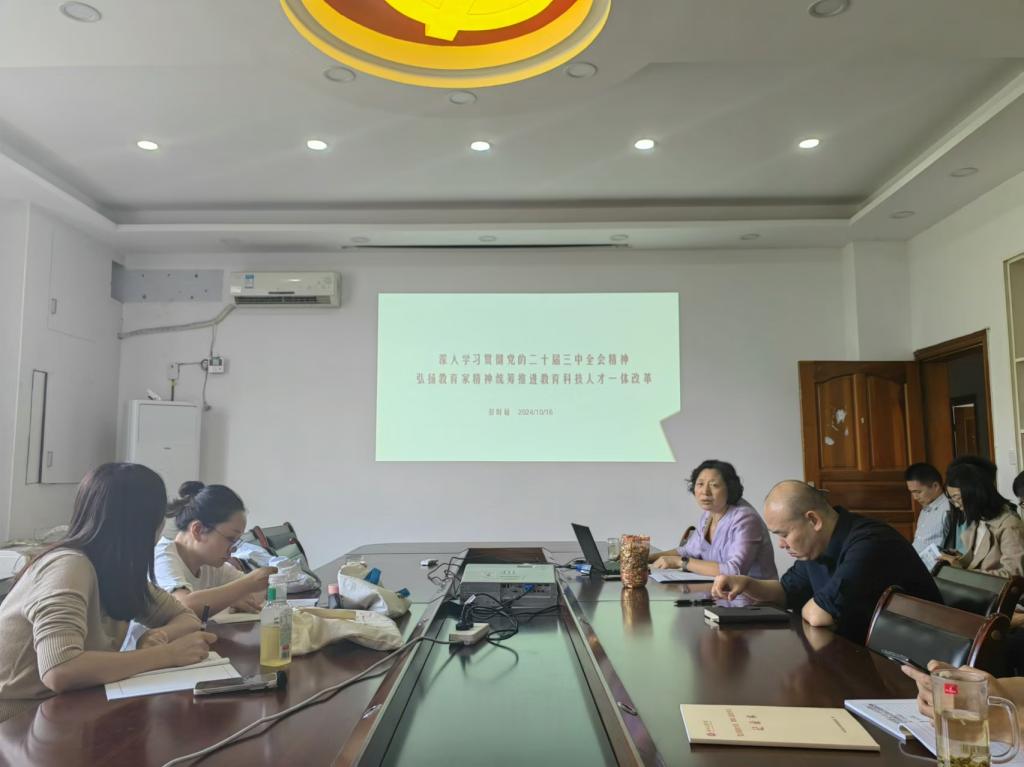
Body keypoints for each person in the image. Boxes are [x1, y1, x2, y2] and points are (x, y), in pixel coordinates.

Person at [0, 463, 216, 723]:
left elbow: (186, 618)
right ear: (148, 525)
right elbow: (60, 670)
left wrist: (159, 635)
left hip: (62, 712)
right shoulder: (69, 566)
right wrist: (166, 655)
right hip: (15, 722)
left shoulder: (116, 570)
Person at [711, 480, 942, 643]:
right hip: (862, 655)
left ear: (813, 520)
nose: (782, 544)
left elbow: (819, 616)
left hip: (915, 667)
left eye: (784, 534)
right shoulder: (817, 546)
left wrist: (811, 607)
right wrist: (747, 583)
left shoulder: (870, 543)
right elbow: (786, 591)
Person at [154, 481, 276, 616]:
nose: (233, 549)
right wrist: (246, 585)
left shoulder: (210, 564)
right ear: (198, 530)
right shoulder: (163, 556)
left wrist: (233, 596)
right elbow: (183, 605)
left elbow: (256, 593)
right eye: (230, 539)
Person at [649, 460, 777, 584]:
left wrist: (680, 562)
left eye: (714, 485)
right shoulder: (708, 514)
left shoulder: (745, 518)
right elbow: (687, 551)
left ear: (730, 488)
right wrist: (646, 558)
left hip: (752, 597)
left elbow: (735, 571)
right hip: (718, 592)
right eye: (700, 484)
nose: (705, 491)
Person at [937, 462, 1024, 578]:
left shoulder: (1009, 524)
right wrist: (958, 560)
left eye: (957, 498)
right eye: (952, 500)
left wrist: (961, 571)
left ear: (975, 493)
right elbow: (976, 563)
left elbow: (1014, 575)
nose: (956, 505)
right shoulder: (978, 520)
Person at [904, 462, 954, 556]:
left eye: (918, 492)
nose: (915, 497)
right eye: (912, 492)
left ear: (935, 486)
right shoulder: (925, 509)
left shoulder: (948, 510)